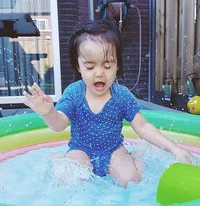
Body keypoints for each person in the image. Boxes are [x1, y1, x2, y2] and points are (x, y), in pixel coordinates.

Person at [23, 19, 192, 187]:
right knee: (71, 179)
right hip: (81, 151)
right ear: (78, 66)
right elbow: (59, 125)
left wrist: (173, 148)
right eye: (90, 67)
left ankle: (133, 159)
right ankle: (63, 158)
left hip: (114, 151)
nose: (99, 73)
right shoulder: (74, 93)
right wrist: (48, 113)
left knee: (131, 181)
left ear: (117, 65)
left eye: (107, 65)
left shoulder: (121, 95)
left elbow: (143, 127)